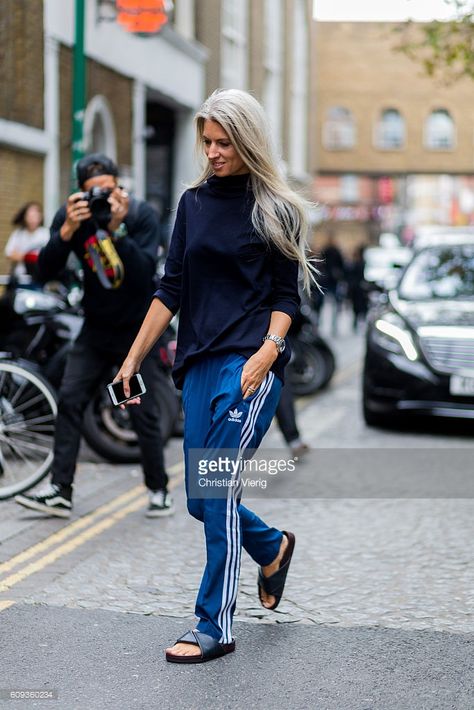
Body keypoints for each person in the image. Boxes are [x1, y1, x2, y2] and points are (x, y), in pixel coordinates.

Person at [114, 89, 318, 663]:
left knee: (218, 490)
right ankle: (273, 546)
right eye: (207, 141)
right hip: (198, 363)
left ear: (248, 141)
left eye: (224, 142)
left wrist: (267, 352)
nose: (213, 151)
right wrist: (132, 359)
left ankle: (215, 624)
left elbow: (286, 295)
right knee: (202, 499)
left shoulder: (275, 207)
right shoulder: (194, 202)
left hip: (248, 366)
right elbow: (170, 287)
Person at [15, 153, 173, 519]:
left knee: (140, 411)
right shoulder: (75, 215)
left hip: (135, 334)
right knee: (70, 400)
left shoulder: (139, 215)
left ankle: (158, 488)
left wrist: (117, 228)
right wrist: (66, 232)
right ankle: (60, 490)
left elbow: (144, 274)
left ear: (118, 184)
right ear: (81, 192)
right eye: (92, 193)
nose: (100, 199)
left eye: (107, 190)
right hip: (95, 329)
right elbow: (45, 271)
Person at [5, 202, 49, 279]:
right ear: (25, 217)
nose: (32, 219)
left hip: (40, 276)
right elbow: (9, 253)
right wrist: (28, 257)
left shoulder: (45, 234)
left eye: (35, 216)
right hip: (20, 276)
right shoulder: (18, 234)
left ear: (40, 217)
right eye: (30, 216)